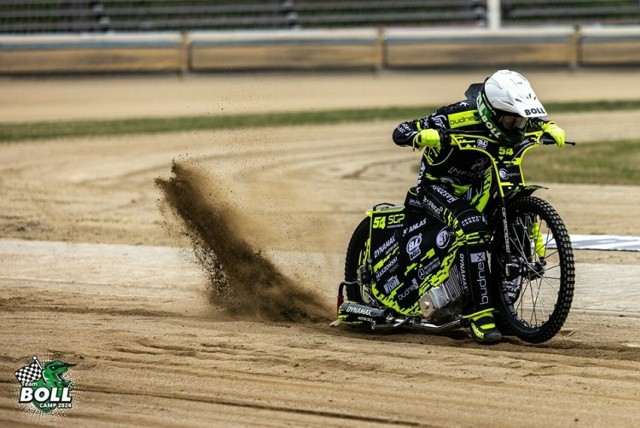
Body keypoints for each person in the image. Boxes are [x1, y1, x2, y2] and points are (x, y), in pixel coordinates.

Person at [392, 69, 566, 344]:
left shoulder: (514, 120)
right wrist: (421, 136)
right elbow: (401, 130)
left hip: (478, 185)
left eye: (520, 121)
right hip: (436, 187)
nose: (517, 126)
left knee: (511, 217)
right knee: (473, 227)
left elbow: (535, 122)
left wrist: (549, 126)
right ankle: (478, 313)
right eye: (511, 121)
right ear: (491, 112)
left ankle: (503, 309)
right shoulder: (455, 116)